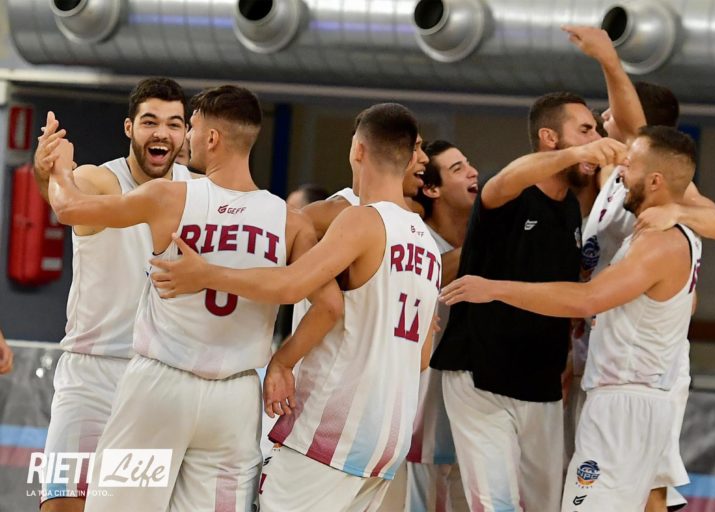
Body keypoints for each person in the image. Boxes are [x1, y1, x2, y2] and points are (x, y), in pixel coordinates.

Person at [46, 85, 342, 512]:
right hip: (235, 398)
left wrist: (58, 170)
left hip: (161, 386)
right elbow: (330, 306)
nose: (186, 138)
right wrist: (282, 362)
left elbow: (69, 209)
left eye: (192, 127)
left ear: (212, 138)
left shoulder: (170, 196)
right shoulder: (290, 221)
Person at [149, 103, 441, 512]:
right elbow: (422, 357)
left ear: (357, 149)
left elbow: (290, 284)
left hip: (332, 432)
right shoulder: (428, 245)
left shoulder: (361, 220)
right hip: (387, 441)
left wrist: (207, 274)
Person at [441, 125, 702, 512]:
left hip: (624, 404)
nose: (619, 172)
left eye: (629, 165)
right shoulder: (674, 234)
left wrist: (495, 288)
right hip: (642, 400)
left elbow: (587, 299)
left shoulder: (658, 242)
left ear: (655, 181)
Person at [563, 25, 715, 512]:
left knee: (641, 490)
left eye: (610, 112)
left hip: (643, 366)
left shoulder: (662, 186)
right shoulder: (615, 176)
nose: (603, 117)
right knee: (625, 490)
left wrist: (608, 60)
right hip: (607, 346)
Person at [429, 91, 627, 511]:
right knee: (496, 504)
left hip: (541, 381)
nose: (596, 139)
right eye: (585, 130)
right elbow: (509, 177)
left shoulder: (571, 208)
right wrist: (584, 151)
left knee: (545, 505)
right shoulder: (509, 191)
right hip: (480, 373)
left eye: (596, 131)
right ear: (549, 137)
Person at [31, 77, 192, 511]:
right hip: (91, 375)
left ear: (186, 133)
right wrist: (47, 170)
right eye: (150, 121)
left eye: (174, 124)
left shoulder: (198, 192)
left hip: (157, 380)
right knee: (63, 504)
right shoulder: (100, 179)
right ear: (129, 128)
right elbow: (65, 199)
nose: (162, 133)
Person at [406, 140, 478, 512]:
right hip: (424, 410)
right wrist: (488, 242)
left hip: (477, 406)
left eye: (468, 163)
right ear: (432, 189)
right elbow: (434, 275)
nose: (473, 172)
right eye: (457, 169)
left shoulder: (480, 240)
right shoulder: (414, 240)